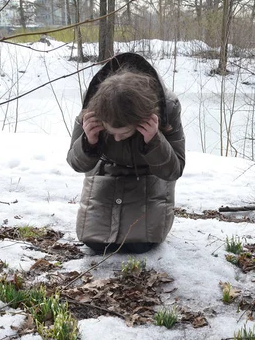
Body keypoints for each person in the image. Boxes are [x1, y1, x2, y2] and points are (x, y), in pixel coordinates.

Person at [67, 52, 185, 254]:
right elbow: (76, 164)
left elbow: (174, 171)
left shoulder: (168, 107)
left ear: (143, 120)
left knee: (141, 244)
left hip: (149, 179)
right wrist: (88, 142)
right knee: (95, 242)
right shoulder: (93, 108)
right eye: (111, 132)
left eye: (124, 133)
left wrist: (154, 141)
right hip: (106, 177)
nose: (117, 138)